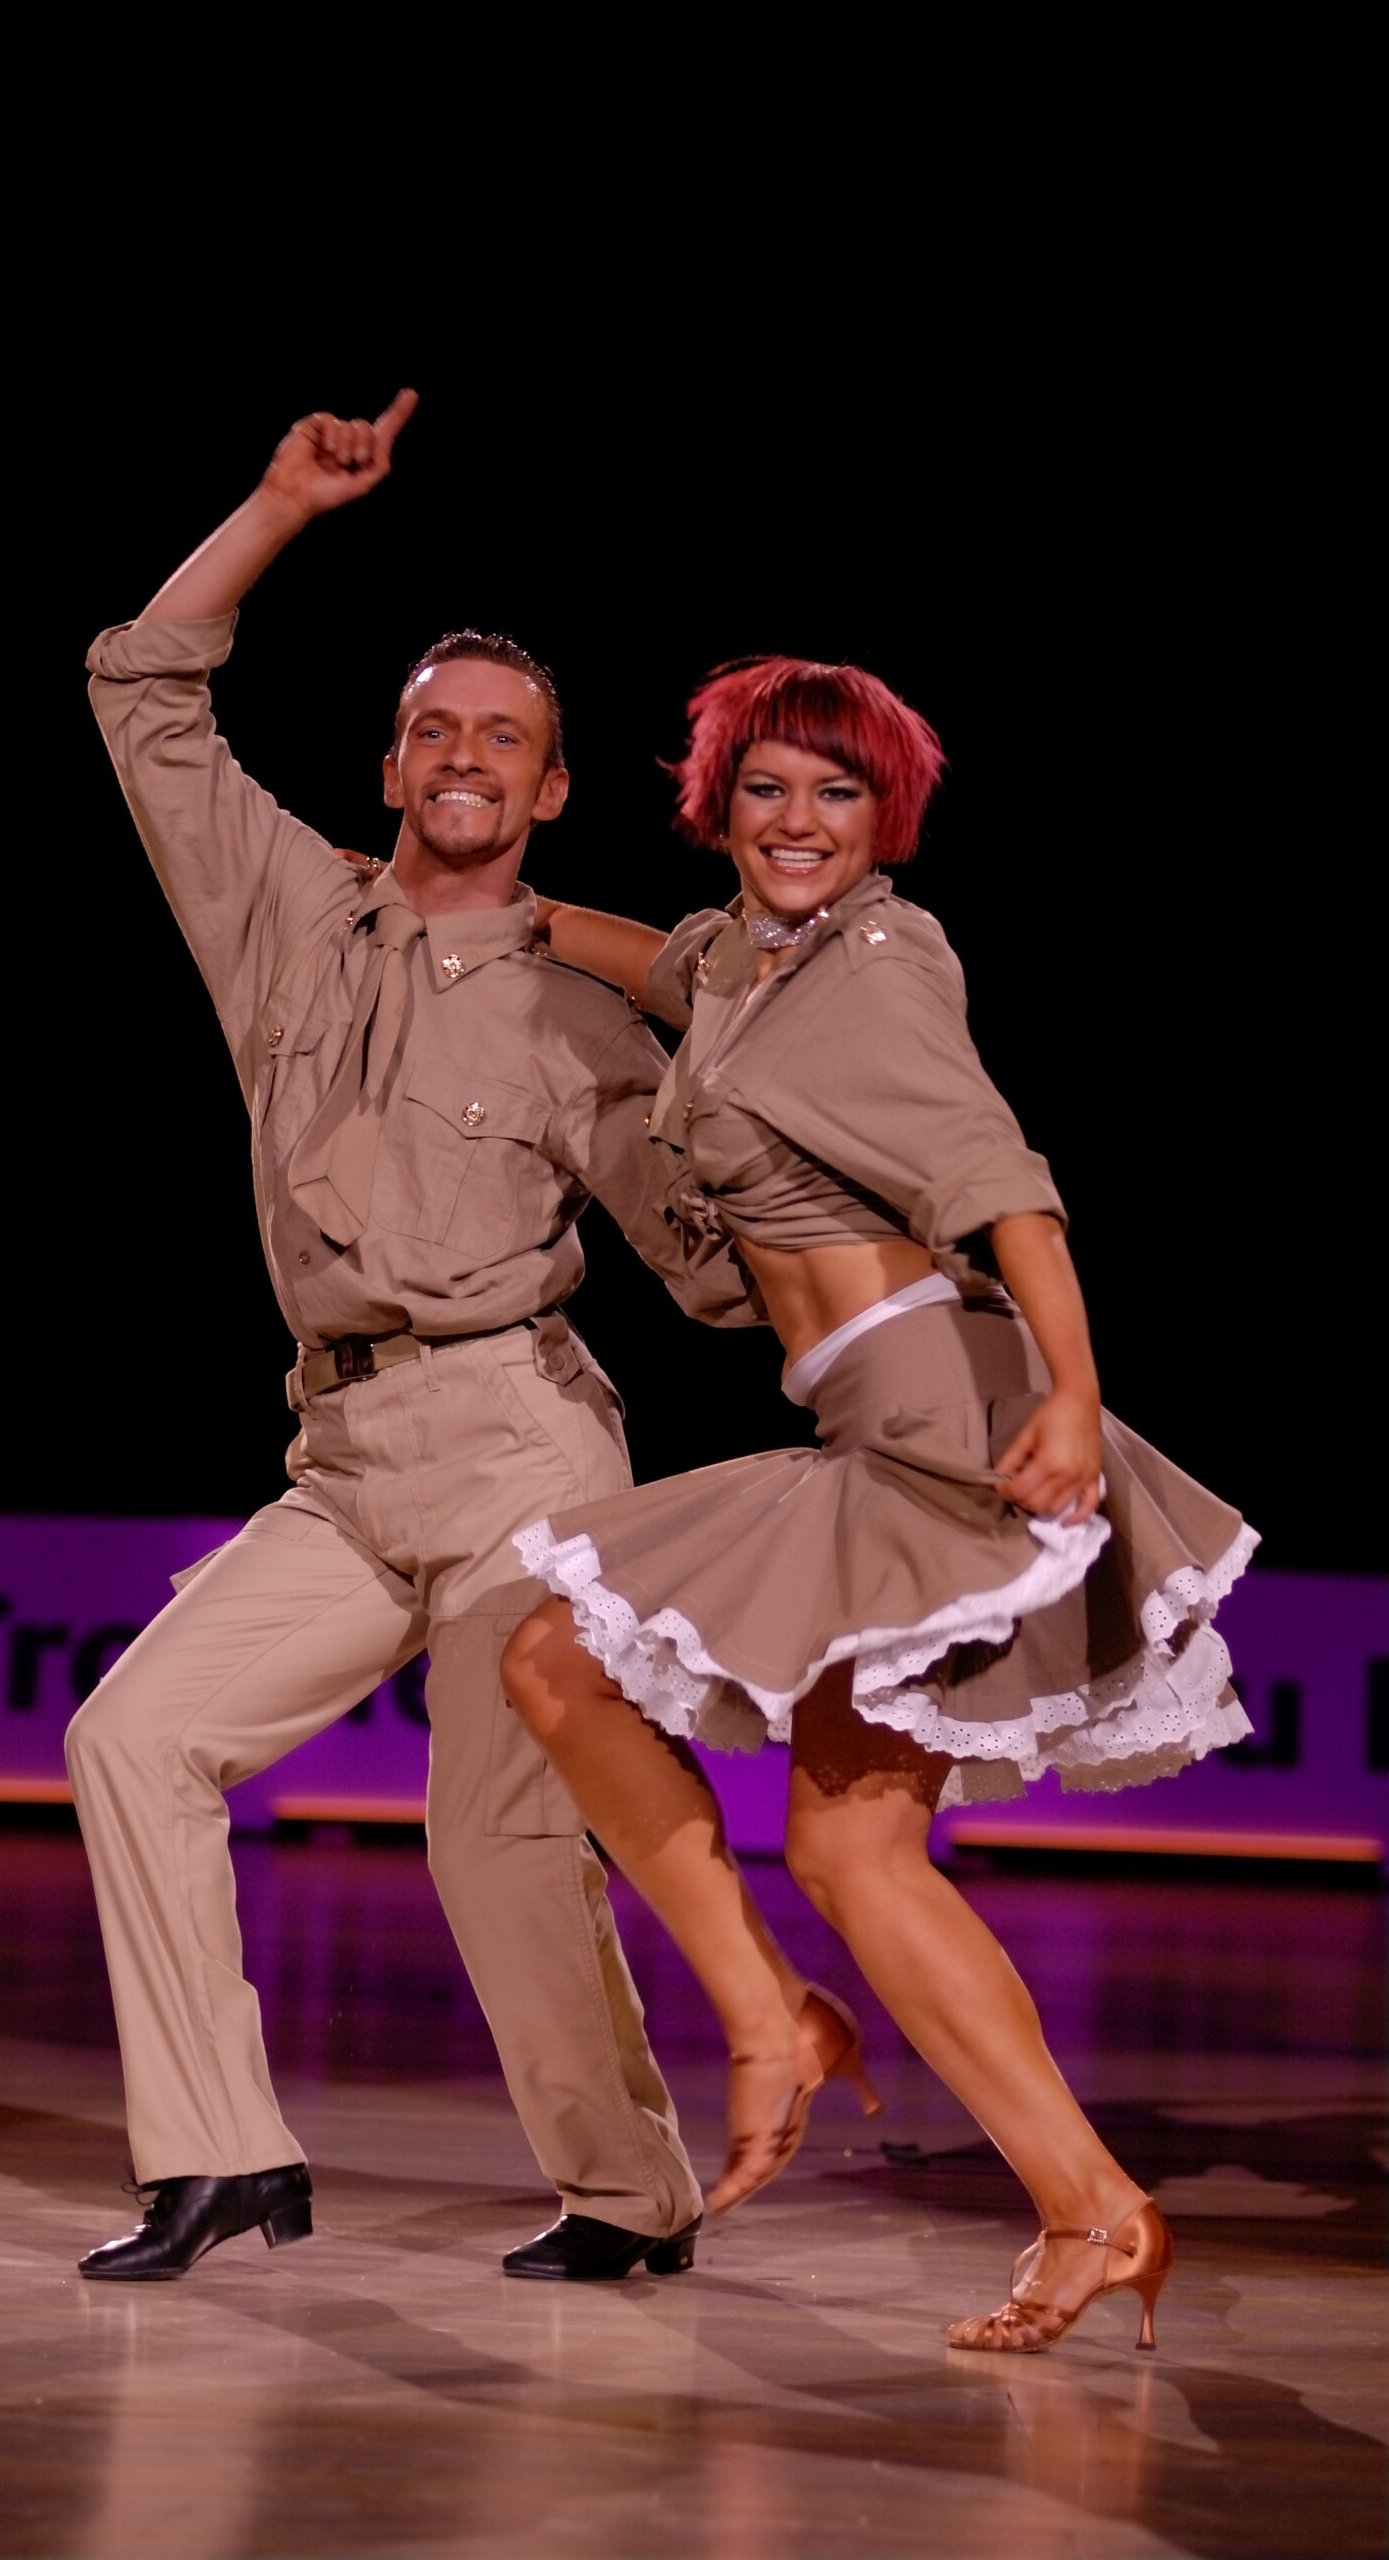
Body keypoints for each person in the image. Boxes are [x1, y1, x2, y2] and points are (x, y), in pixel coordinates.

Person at [66, 394, 789, 2286]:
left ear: (549, 793)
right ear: (392, 760)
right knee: (131, 1736)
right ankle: (219, 2157)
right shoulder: (290, 924)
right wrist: (279, 506)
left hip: (520, 1453)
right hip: (339, 1454)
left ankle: (627, 2197)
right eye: (436, 725)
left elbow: (708, 1272)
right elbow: (142, 683)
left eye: (506, 739)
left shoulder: (585, 1011)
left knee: (493, 1845)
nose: (464, 754)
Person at [502, 653, 1256, 2353]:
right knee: (838, 1836)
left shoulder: (879, 962)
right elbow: (658, 960)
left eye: (835, 793)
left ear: (883, 816)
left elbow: (1000, 1182)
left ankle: (799, 2036)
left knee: (566, 1666)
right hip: (872, 1420)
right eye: (765, 787)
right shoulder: (754, 966)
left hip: (943, 1420)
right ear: (717, 803)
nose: (797, 821)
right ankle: (1084, 2206)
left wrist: (1067, 1391)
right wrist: (475, 897)